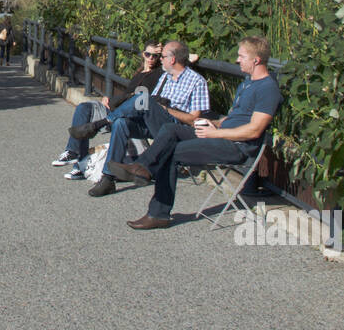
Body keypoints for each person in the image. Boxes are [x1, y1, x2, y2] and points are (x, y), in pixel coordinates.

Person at [109, 37, 282, 230]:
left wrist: (214, 134)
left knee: (171, 151)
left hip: (236, 146)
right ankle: (142, 168)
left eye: (241, 56)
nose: (237, 60)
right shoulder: (247, 84)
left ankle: (157, 212)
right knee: (169, 129)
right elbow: (233, 119)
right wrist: (213, 123)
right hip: (220, 134)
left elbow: (254, 130)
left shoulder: (268, 89)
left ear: (256, 60)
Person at [87, 39, 209, 198]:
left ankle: (102, 123)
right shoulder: (165, 77)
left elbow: (194, 120)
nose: (160, 60)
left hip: (174, 128)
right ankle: (108, 178)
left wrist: (166, 110)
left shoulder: (196, 81)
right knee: (122, 123)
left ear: (172, 60)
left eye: (162, 57)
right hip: (154, 122)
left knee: (146, 99)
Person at [53, 43, 163, 179]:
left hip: (130, 114)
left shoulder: (159, 73)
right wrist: (110, 99)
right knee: (83, 108)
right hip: (115, 107)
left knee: (100, 119)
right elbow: (126, 95)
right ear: (143, 54)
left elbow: (187, 59)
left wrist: (164, 52)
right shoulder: (139, 73)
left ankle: (79, 166)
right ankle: (74, 154)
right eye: (148, 54)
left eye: (155, 56)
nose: (151, 58)